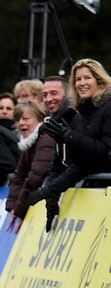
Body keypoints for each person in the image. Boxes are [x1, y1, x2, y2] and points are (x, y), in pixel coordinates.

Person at [28, 58, 111, 230]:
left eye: (87, 78)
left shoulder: (107, 109)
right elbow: (71, 162)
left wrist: (68, 135)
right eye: (78, 79)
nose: (82, 83)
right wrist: (50, 196)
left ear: (99, 80)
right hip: (96, 193)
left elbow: (104, 152)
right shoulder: (82, 113)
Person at [5, 101, 54, 232]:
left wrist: (19, 210)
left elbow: (35, 177)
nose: (21, 123)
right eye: (17, 119)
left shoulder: (46, 138)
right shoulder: (28, 144)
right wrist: (12, 206)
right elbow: (19, 176)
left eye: (26, 119)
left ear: (39, 119)